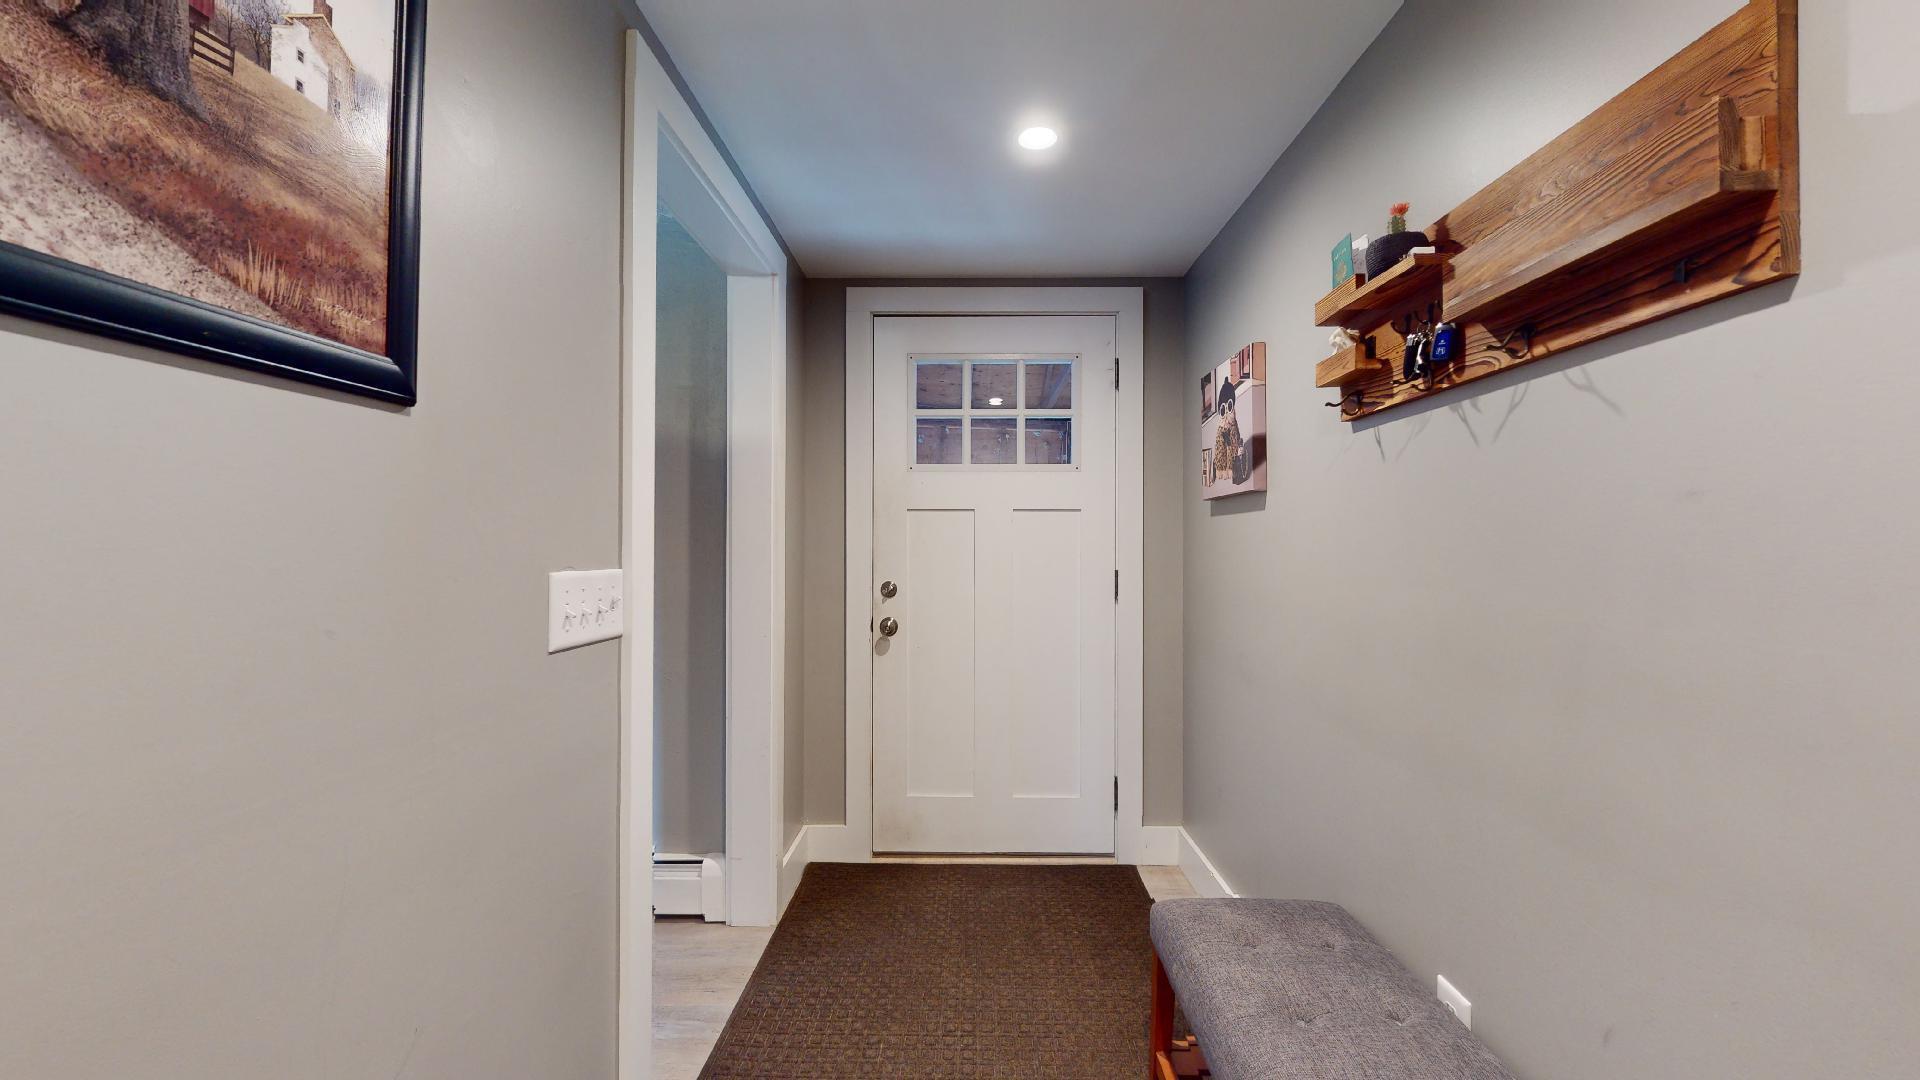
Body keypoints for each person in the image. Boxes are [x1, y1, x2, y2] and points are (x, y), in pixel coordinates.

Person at [1212, 375, 1242, 485]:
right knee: (1225, 445)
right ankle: (1225, 469)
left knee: (1228, 446)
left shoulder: (1229, 410)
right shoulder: (1228, 410)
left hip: (1226, 427)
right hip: (1225, 427)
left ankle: (1228, 469)